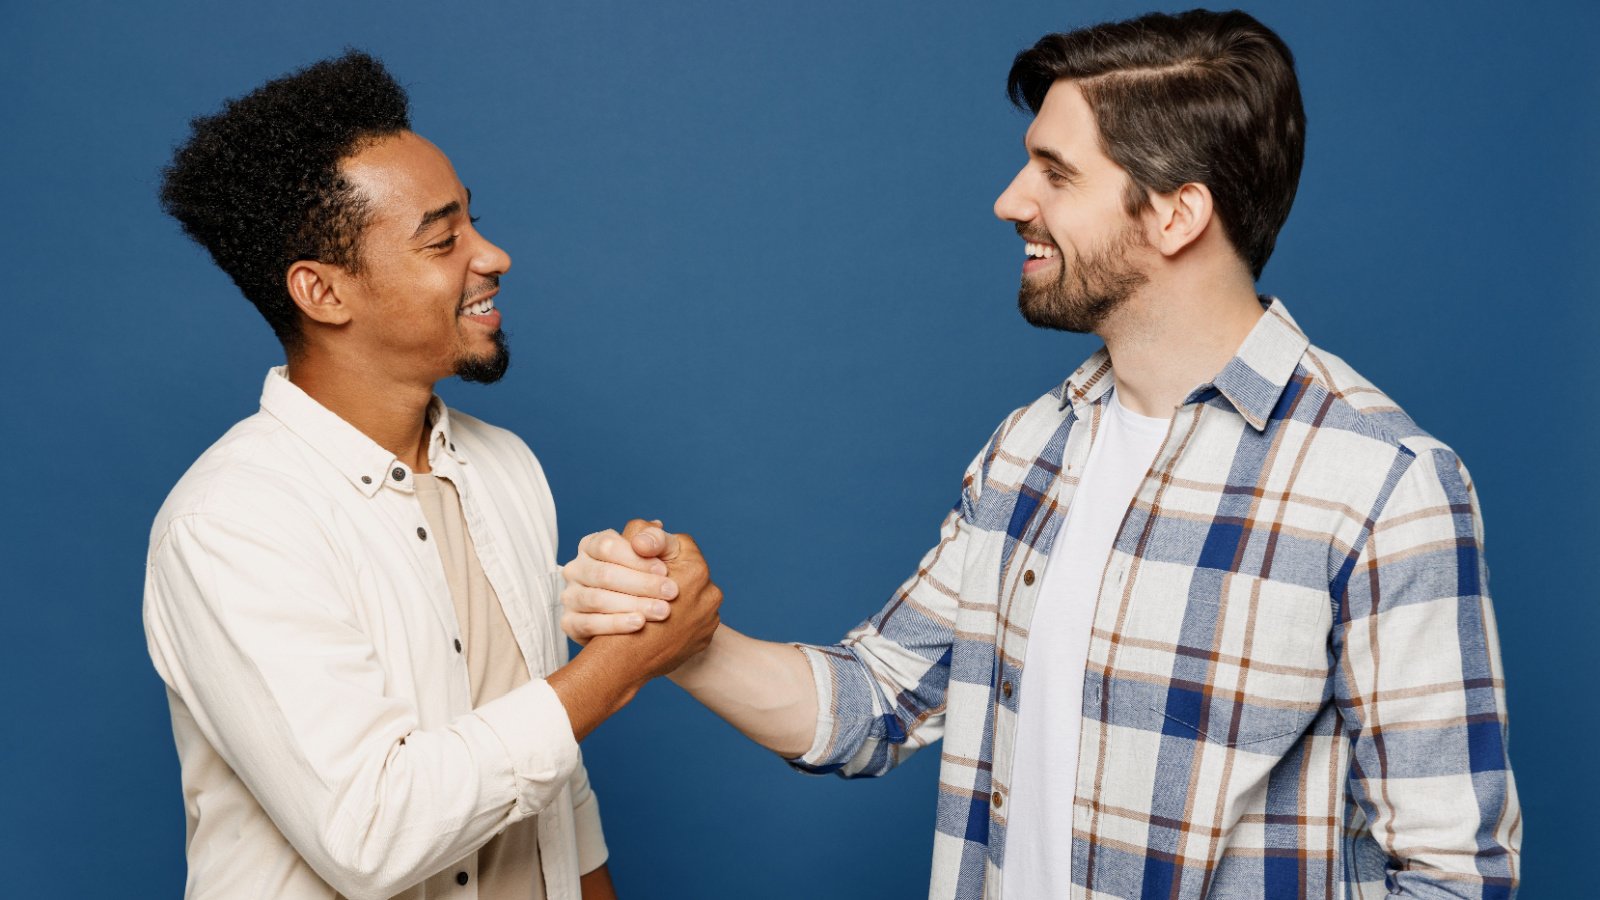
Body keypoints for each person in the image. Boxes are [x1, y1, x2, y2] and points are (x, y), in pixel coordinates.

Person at [560, 9, 1520, 899]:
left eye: (1057, 173)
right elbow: (876, 703)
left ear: (1177, 214)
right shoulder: (1031, 449)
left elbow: (1451, 873)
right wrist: (682, 637)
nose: (1009, 200)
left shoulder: (1383, 486)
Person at [142, 51, 720, 900]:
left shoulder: (505, 467)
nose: (494, 258)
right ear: (323, 293)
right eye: (444, 241)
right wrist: (620, 666)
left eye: (473, 225)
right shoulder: (232, 523)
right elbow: (371, 831)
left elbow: (556, 792)